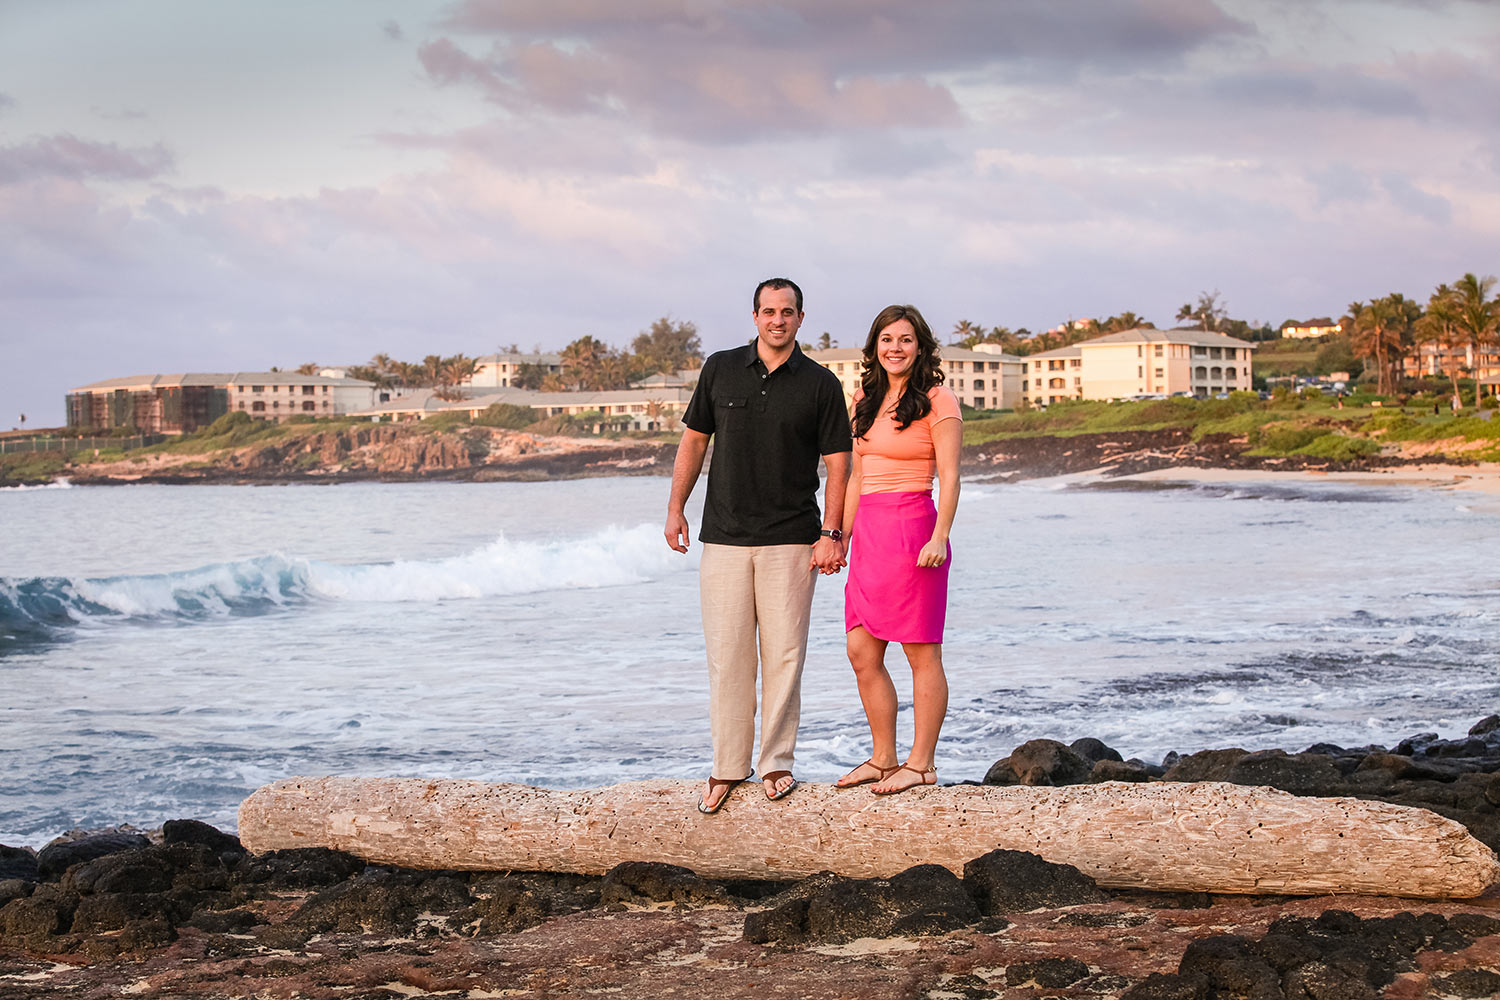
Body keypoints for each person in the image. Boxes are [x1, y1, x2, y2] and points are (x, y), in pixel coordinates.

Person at [665, 278, 852, 814]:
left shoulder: (818, 384)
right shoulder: (720, 368)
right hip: (722, 536)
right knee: (728, 659)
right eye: (768, 311)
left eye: (787, 312)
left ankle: (776, 764)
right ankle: (727, 767)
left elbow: (839, 462)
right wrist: (676, 507)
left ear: (800, 318)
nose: (778, 320)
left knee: (784, 656)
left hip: (793, 538)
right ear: (754, 317)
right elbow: (694, 441)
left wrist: (831, 532)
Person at [834, 304, 961, 796]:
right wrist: (840, 538)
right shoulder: (864, 400)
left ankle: (922, 763)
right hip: (869, 533)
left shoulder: (938, 399)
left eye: (905, 339)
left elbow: (950, 475)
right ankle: (884, 757)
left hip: (915, 531)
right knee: (861, 648)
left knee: (921, 651)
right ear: (875, 347)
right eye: (887, 339)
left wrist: (940, 536)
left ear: (920, 346)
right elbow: (856, 476)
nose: (895, 348)